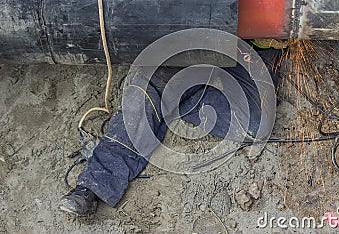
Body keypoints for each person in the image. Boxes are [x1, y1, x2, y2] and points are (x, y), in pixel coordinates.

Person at [59, 48, 280, 216]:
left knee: (255, 124)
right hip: (181, 50)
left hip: (243, 52)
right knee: (144, 95)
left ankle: (179, 100)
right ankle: (94, 184)